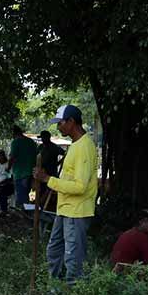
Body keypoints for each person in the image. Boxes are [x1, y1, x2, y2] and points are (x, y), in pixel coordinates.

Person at [34, 105, 98, 283]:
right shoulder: (76, 145)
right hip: (65, 210)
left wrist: (48, 179)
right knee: (54, 250)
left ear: (71, 122)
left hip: (77, 212)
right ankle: (54, 287)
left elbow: (80, 187)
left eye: (60, 123)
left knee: (73, 259)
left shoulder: (85, 147)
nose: (58, 127)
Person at [8, 125, 37, 209]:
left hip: (20, 174)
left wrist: (8, 168)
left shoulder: (16, 142)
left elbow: (12, 157)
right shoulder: (31, 142)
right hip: (31, 173)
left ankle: (24, 216)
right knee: (25, 195)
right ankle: (26, 213)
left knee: (21, 198)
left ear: (14, 133)